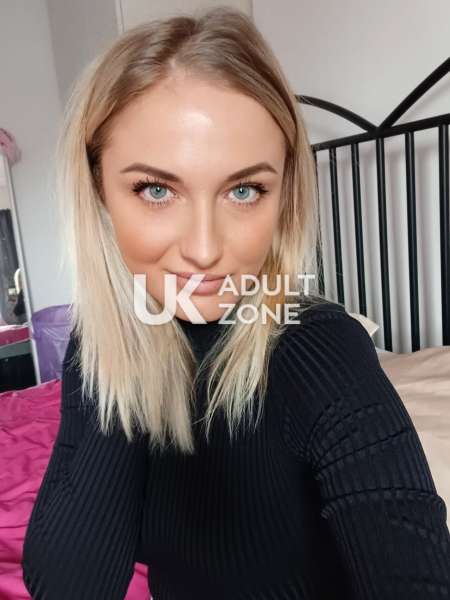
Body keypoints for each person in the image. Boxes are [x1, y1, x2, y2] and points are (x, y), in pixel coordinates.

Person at [22, 7, 450, 600]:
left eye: (245, 190)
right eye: (156, 189)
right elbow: (70, 586)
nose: (204, 250)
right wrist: (123, 346)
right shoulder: (98, 344)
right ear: (98, 192)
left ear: (284, 195)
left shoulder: (318, 348)